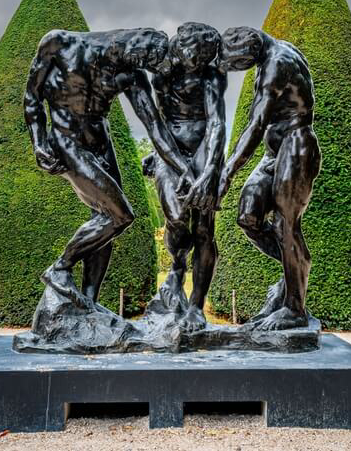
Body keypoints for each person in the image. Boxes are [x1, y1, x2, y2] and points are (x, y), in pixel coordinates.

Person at [25, 28, 194, 310]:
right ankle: (60, 267)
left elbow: (154, 126)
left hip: (101, 145)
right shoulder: (60, 43)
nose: (141, 69)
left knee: (105, 220)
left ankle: (88, 303)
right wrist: (39, 143)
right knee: (120, 215)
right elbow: (32, 97)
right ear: (135, 48)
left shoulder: (132, 75)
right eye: (146, 63)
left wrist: (182, 167)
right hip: (67, 142)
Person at [216, 26, 322, 331]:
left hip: (296, 145)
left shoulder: (276, 63)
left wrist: (226, 174)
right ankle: (294, 272)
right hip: (274, 152)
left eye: (235, 64)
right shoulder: (271, 52)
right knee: (248, 216)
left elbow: (256, 124)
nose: (235, 70)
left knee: (285, 225)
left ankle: (294, 308)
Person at [145, 22, 226, 331]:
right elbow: (158, 118)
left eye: (205, 56)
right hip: (172, 148)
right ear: (182, 46)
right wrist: (159, 152)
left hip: (204, 147)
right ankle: (177, 265)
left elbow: (217, 123)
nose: (199, 60)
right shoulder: (161, 72)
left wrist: (210, 170)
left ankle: (196, 306)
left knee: (204, 228)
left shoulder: (211, 75)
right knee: (176, 217)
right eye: (196, 53)